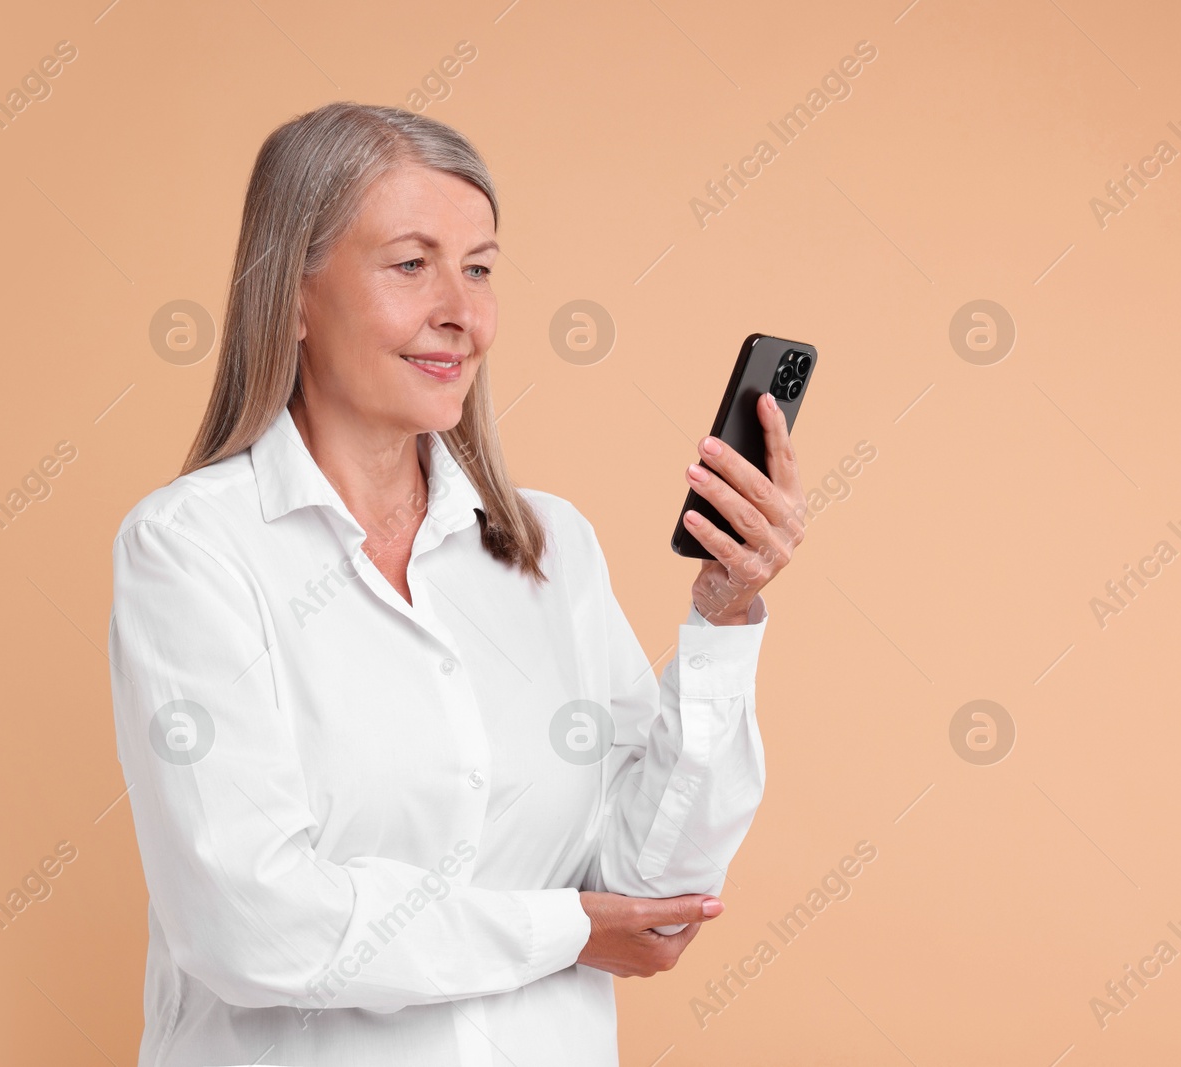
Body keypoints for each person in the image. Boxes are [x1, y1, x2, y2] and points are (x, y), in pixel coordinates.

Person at [107, 101, 806, 1067]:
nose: (461, 312)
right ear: (293, 296)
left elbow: (647, 888)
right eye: (410, 263)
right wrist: (562, 930)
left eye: (479, 268)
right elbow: (250, 925)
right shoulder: (193, 549)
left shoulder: (550, 545)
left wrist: (723, 615)